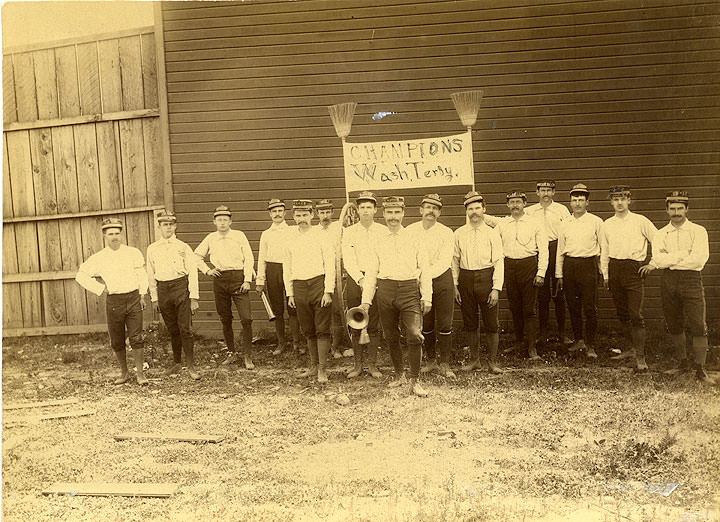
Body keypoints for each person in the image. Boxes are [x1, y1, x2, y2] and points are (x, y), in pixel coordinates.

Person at [361, 196, 432, 397]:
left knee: (414, 334)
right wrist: (366, 301)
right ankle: (400, 374)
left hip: (409, 290)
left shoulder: (414, 237)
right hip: (385, 290)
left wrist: (427, 295)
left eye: (397, 212)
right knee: (390, 335)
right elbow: (371, 272)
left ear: (403, 213)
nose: (393, 217)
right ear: (383, 214)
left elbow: (425, 268)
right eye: (389, 213)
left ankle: (414, 380)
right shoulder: (377, 240)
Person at [639, 190, 713, 383]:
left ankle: (700, 368)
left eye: (680, 208)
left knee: (698, 324)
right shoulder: (661, 233)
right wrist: (682, 255)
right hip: (669, 280)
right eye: (672, 209)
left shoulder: (698, 231)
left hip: (692, 280)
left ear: (687, 209)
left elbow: (699, 261)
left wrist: (670, 258)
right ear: (667, 211)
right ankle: (682, 363)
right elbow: (659, 260)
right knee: (674, 323)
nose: (676, 212)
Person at [75, 218, 149, 385]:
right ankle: (124, 373)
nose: (114, 237)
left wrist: (143, 294)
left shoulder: (133, 252)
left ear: (121, 234)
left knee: (136, 336)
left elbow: (142, 275)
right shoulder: (99, 257)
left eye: (117, 233)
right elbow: (80, 275)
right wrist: (101, 289)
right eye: (110, 234)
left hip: (133, 298)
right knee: (116, 338)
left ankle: (140, 374)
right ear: (104, 236)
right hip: (114, 301)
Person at [600, 186, 658, 372]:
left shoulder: (640, 221)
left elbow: (658, 240)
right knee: (623, 313)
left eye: (623, 198)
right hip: (615, 269)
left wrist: (653, 262)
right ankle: (631, 349)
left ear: (629, 201)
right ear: (611, 202)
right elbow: (605, 251)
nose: (619, 202)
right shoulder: (607, 224)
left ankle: (641, 358)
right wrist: (606, 275)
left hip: (634, 269)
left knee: (635, 314)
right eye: (615, 199)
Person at [195, 205, 256, 370]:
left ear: (230, 221)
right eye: (219, 220)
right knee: (225, 318)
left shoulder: (239, 235)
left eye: (225, 220)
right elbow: (196, 256)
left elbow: (249, 258)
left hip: (238, 279)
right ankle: (231, 352)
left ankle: (247, 356)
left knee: (246, 319)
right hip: (220, 280)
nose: (222, 223)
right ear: (214, 222)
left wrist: (247, 280)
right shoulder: (210, 238)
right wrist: (207, 270)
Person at [452, 191, 505, 374]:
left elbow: (499, 261)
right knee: (470, 322)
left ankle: (492, 361)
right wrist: (455, 285)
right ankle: (475, 360)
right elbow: (455, 260)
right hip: (466, 279)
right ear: (466, 211)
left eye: (477, 208)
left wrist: (496, 288)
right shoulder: (458, 233)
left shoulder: (492, 233)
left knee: (491, 323)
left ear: (484, 209)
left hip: (486, 277)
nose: (474, 212)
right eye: (470, 209)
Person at [284, 200, 336, 383]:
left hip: (318, 284)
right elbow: (287, 267)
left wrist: (328, 290)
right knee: (308, 329)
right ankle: (313, 366)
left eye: (305, 215)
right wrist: (290, 293)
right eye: (298, 216)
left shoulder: (321, 236)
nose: (302, 219)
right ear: (293, 217)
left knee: (322, 327)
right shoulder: (290, 239)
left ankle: (323, 369)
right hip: (299, 286)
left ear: (312, 215)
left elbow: (330, 264)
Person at [146, 211, 201, 380]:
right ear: (159, 227)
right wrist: (154, 298)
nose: (168, 227)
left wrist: (194, 297)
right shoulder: (152, 249)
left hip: (180, 287)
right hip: (163, 290)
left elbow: (192, 271)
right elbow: (150, 274)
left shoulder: (183, 247)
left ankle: (191, 365)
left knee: (185, 328)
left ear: (175, 226)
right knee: (172, 329)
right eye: (165, 224)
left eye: (171, 224)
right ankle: (177, 363)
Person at [406, 194, 456, 378]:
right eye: (428, 207)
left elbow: (444, 261)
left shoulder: (446, 232)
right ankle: (430, 360)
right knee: (425, 321)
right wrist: (418, 278)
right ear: (421, 210)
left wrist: (425, 276)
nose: (431, 211)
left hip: (441, 279)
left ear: (439, 212)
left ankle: (444, 363)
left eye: (435, 208)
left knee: (444, 323)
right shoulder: (410, 231)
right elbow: (408, 257)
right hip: (417, 280)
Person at [497, 190, 548, 361]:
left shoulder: (535, 223)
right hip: (510, 267)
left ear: (525, 204)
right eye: (512, 202)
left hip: (529, 266)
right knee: (515, 307)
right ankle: (519, 342)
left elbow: (544, 250)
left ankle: (532, 347)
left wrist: (541, 273)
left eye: (518, 202)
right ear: (507, 205)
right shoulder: (503, 224)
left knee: (529, 309)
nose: (515, 205)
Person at [341, 191, 387, 379]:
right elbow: (348, 259)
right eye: (362, 207)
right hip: (355, 280)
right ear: (358, 210)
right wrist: (360, 279)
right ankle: (358, 365)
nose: (366, 211)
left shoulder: (383, 231)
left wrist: (372, 279)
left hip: (377, 279)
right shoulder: (350, 232)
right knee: (356, 321)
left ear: (375, 210)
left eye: (369, 207)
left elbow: (385, 257)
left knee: (374, 323)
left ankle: (372, 365)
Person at [555, 184, 603, 359]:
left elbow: (603, 248)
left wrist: (602, 271)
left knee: (590, 307)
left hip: (588, 265)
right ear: (570, 203)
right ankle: (579, 340)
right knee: (573, 306)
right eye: (574, 200)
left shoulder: (596, 222)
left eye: (581, 200)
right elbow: (561, 250)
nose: (577, 204)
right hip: (570, 266)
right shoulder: (565, 223)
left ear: (587, 202)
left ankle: (590, 344)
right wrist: (559, 274)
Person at [525, 180, 571, 344]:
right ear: (537, 193)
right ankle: (542, 333)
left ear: (553, 193)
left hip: (556, 249)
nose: (545, 194)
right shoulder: (529, 211)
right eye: (542, 190)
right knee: (542, 295)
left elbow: (568, 231)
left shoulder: (562, 210)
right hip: (539, 252)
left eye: (548, 190)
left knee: (559, 293)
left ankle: (562, 333)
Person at [255, 198, 302, 356]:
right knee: (277, 309)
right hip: (273, 270)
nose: (277, 214)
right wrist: (260, 280)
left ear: (285, 212)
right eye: (274, 211)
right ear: (269, 214)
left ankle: (297, 342)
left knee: (293, 307)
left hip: (291, 269)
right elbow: (262, 258)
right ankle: (281, 343)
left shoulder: (293, 230)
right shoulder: (266, 234)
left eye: (280, 211)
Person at [315, 199, 351, 359]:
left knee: (338, 310)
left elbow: (347, 248)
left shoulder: (339, 228)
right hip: (319, 273)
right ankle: (326, 345)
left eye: (328, 212)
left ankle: (337, 345)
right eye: (322, 212)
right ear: (317, 214)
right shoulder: (314, 231)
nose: (325, 216)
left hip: (336, 273)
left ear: (332, 213)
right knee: (323, 311)